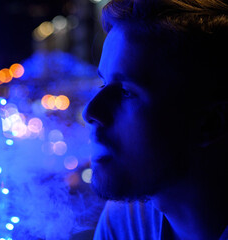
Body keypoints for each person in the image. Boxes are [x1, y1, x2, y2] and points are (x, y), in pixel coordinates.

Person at [83, 0, 228, 239]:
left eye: (127, 92)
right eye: (103, 83)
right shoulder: (126, 221)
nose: (90, 112)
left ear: (209, 123)